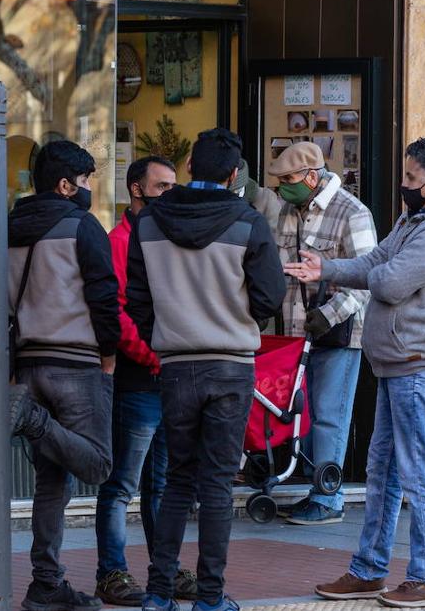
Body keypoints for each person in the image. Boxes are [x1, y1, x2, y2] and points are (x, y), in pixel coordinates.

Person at [290, 138, 425, 609]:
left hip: (422, 367)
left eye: (411, 178)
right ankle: (369, 570)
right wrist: (327, 268)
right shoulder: (417, 219)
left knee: (421, 477)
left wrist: (340, 274)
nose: (404, 185)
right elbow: (378, 261)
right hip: (399, 364)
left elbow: (392, 282)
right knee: (383, 473)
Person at [127, 128, 286, 611]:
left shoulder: (150, 222)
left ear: (191, 167)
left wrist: (171, 327)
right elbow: (270, 297)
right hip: (230, 365)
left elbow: (136, 298)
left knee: (178, 479)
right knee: (217, 485)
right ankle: (211, 598)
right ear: (235, 175)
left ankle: (158, 594)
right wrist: (232, 319)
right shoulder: (249, 221)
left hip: (176, 365)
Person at [9, 140, 120, 611]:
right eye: (87, 180)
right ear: (65, 184)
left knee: (51, 482)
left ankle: (46, 583)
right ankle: (31, 419)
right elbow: (103, 293)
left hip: (26, 361)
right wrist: (110, 353)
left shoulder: (7, 226)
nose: (90, 188)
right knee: (97, 464)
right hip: (75, 360)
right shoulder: (81, 225)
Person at [94, 156, 198, 606]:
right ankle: (112, 574)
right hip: (138, 380)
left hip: (169, 376)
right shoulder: (119, 240)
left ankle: (167, 570)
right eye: (162, 186)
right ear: (137, 190)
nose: (170, 193)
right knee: (121, 484)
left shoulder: (169, 235)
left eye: (176, 185)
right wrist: (150, 355)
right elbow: (114, 311)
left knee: (163, 484)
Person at [257, 141, 376, 525]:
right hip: (294, 332)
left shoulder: (353, 213)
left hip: (337, 332)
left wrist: (328, 314)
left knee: (329, 415)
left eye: (289, 180)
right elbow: (279, 266)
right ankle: (311, 487)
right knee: (300, 412)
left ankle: (329, 498)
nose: (282, 188)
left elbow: (366, 279)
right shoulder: (289, 211)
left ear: (312, 176)